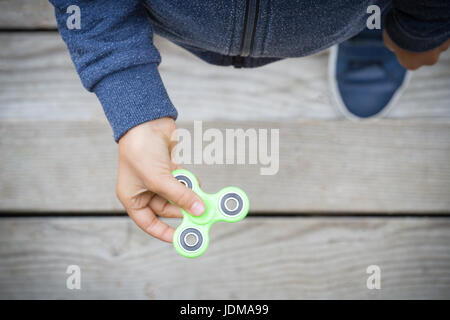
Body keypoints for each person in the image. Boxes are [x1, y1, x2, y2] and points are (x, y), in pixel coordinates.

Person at [49, 0, 450, 243]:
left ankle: (376, 29)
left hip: (351, 10)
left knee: (376, 16)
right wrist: (131, 98)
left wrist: (419, 30)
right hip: (182, 20)